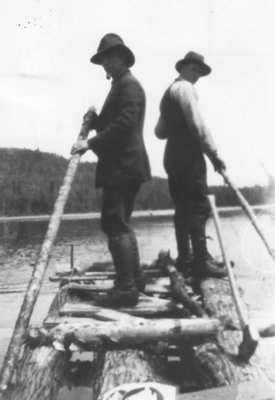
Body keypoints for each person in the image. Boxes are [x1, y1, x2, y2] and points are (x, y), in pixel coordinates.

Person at [71, 33, 151, 306]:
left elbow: (125, 124)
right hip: (124, 165)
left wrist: (89, 143)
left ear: (122, 57)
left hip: (124, 166)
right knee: (120, 223)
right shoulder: (121, 85)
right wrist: (94, 121)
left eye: (110, 58)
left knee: (114, 222)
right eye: (103, 60)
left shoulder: (129, 85)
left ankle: (126, 288)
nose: (106, 63)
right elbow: (114, 121)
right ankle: (135, 281)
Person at [155, 51, 227, 279]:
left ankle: (185, 259)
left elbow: (159, 132)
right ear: (183, 69)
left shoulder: (169, 92)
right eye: (194, 69)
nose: (197, 75)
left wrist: (176, 124)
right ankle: (200, 262)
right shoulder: (185, 88)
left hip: (172, 156)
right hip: (188, 155)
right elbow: (197, 125)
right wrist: (214, 154)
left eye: (200, 71)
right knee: (199, 206)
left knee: (183, 208)